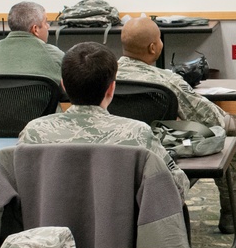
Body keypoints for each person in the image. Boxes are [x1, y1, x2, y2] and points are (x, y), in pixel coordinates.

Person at [117, 15, 236, 233]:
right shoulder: (166, 80)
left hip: (116, 148)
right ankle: (233, 212)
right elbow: (201, 113)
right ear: (153, 47)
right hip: (163, 148)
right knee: (225, 142)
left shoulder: (106, 74)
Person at [18, 42, 189, 199]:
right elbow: (176, 189)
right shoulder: (137, 133)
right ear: (111, 88)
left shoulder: (34, 132)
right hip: (116, 229)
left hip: (46, 228)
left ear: (63, 85)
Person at [0, 1, 64, 83]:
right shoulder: (55, 56)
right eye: (46, 22)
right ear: (35, 29)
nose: (48, 26)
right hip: (35, 99)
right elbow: (67, 91)